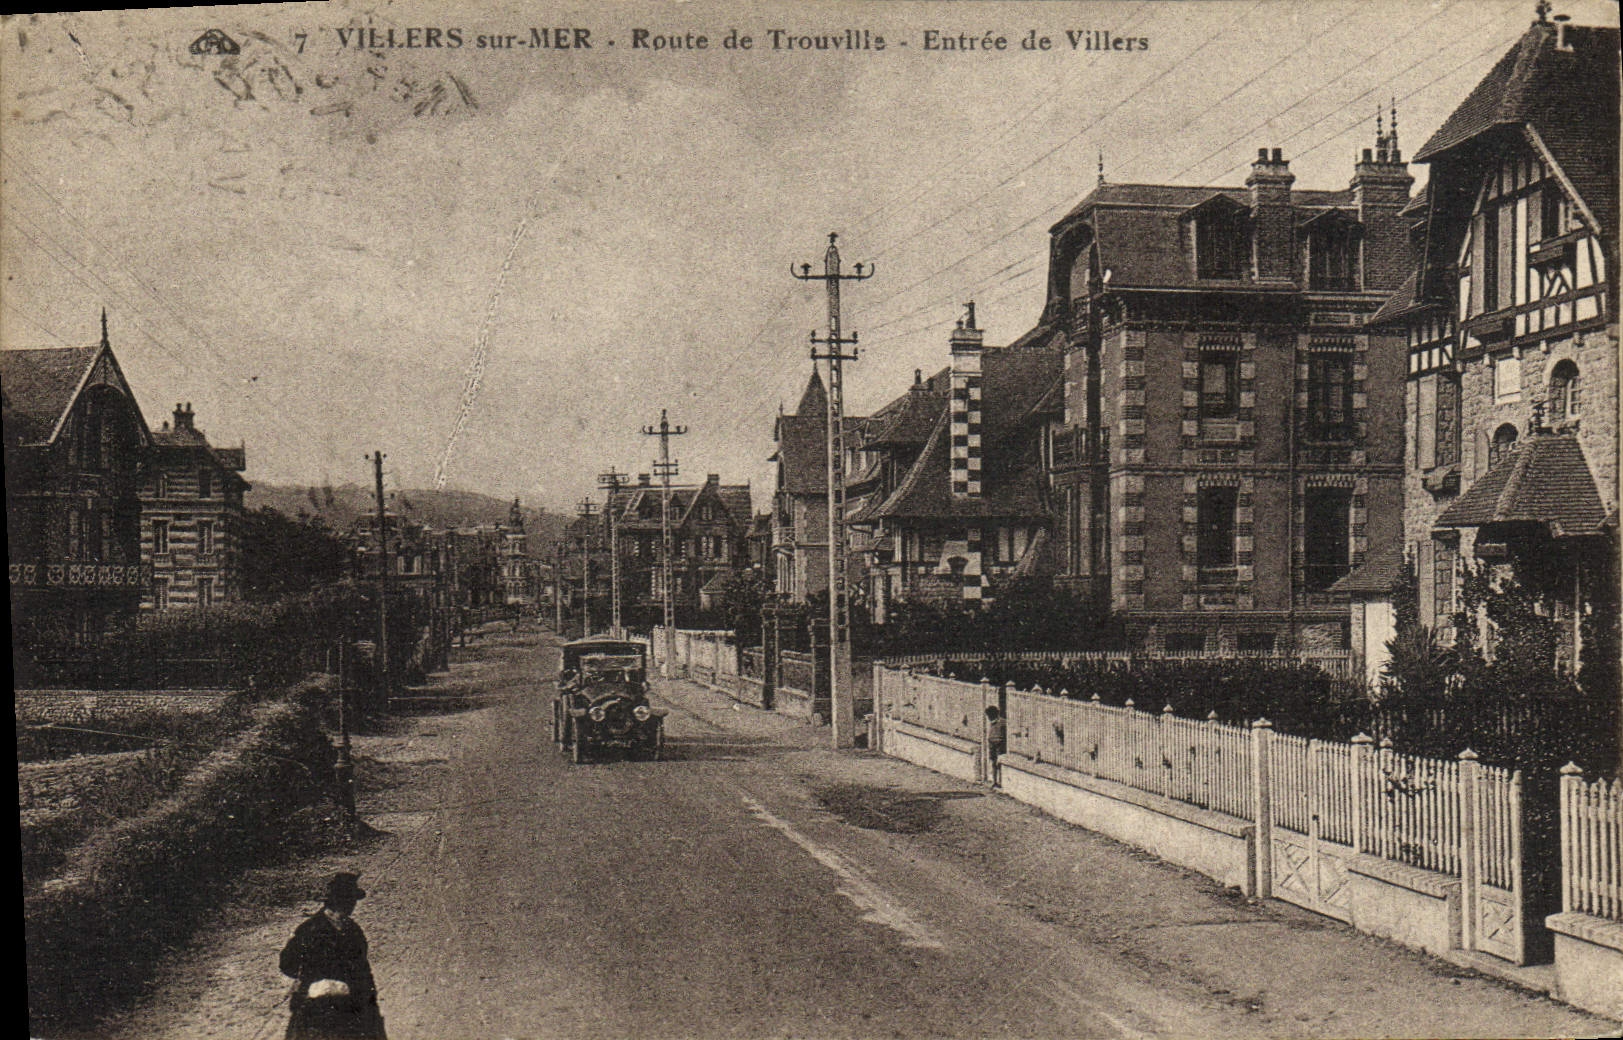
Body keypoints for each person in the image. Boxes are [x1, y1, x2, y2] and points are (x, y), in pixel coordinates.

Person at [279, 872, 387, 1039]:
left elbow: (362, 969)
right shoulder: (309, 930)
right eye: (350, 900)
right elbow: (287, 963)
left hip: (348, 1005)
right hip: (318, 1007)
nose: (353, 905)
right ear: (339, 901)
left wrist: (371, 1002)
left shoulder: (353, 931)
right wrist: (313, 978)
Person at [985, 705, 1007, 786]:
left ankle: (1000, 781)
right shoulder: (992, 722)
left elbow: (1005, 734)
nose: (989, 718)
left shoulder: (1002, 722)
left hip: (999, 744)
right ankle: (995, 781)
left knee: (999, 763)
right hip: (992, 743)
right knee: (993, 762)